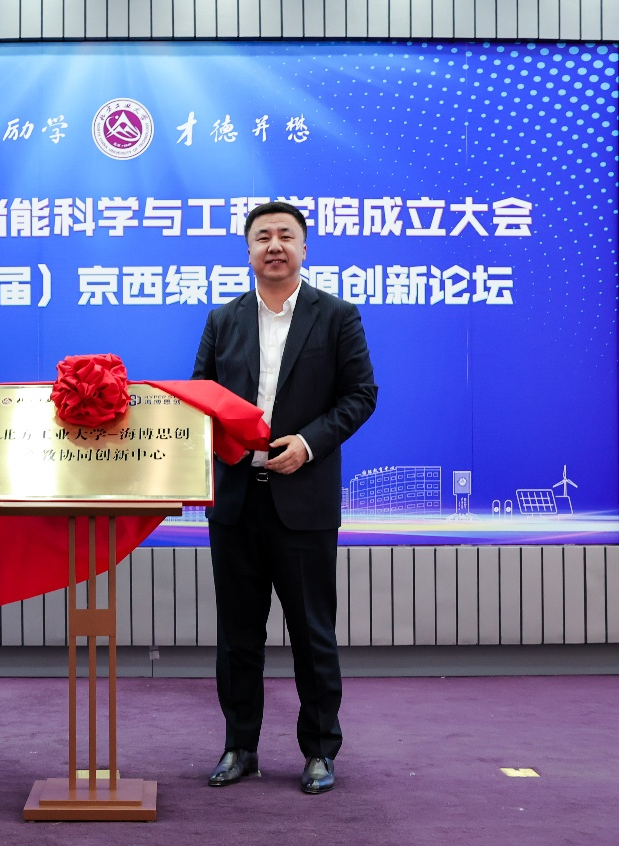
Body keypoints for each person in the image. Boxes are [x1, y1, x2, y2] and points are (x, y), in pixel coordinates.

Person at [192, 200, 377, 794]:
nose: (274, 246)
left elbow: (360, 395)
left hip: (304, 503)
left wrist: (310, 442)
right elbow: (199, 397)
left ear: (304, 248)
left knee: (312, 633)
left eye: (286, 236)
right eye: (262, 237)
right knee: (237, 637)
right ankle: (239, 747)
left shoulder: (336, 316)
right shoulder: (223, 320)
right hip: (237, 501)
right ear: (247, 251)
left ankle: (320, 750)